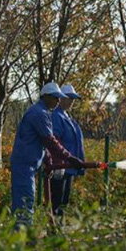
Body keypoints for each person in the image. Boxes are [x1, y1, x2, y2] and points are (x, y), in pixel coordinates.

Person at [10, 82, 84, 228]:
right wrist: (69, 158)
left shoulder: (41, 112)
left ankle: (22, 238)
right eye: (56, 98)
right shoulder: (40, 114)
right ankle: (21, 241)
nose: (58, 101)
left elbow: (42, 142)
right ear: (46, 97)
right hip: (25, 165)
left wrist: (48, 160)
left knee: (25, 201)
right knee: (25, 202)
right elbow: (50, 141)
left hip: (27, 164)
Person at [50, 84, 85, 216]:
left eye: (73, 99)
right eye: (68, 98)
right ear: (61, 98)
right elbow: (55, 140)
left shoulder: (67, 117)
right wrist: (61, 161)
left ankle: (59, 227)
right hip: (61, 165)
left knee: (64, 201)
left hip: (70, 166)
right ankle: (53, 230)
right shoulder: (56, 116)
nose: (71, 101)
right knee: (57, 200)